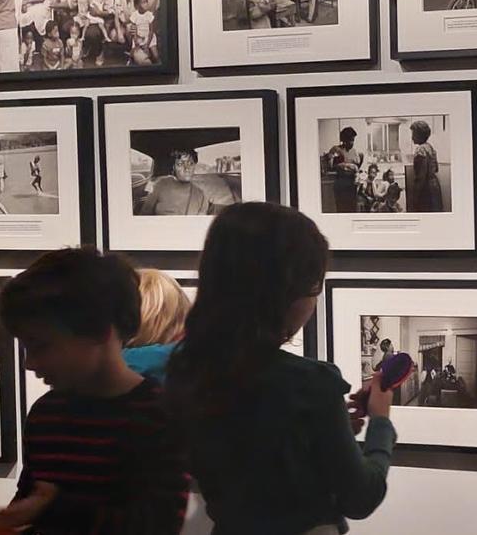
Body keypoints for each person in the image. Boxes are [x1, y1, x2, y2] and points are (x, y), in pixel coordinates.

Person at [166, 202, 395, 533]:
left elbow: (250, 460)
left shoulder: (186, 368)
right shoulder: (311, 383)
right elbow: (360, 497)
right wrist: (381, 424)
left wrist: (316, 434)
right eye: (315, 284)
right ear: (290, 289)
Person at [0, 248, 189, 534]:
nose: (29, 363)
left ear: (100, 331)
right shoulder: (45, 413)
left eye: (40, 346)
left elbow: (158, 525)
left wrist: (55, 508)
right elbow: (32, 500)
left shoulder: (160, 416)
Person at [139, 149, 212, 216]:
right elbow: (144, 217)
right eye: (180, 164)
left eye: (190, 163)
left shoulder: (201, 195)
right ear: (173, 167)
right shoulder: (160, 185)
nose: (186, 168)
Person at [407, 120, 444, 212]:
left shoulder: (420, 150)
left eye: (413, 134)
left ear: (419, 135)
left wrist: (415, 196)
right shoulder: (430, 147)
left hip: (425, 189)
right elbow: (436, 169)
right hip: (435, 186)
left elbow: (421, 176)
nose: (412, 137)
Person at [327, 126, 363, 213]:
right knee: (342, 208)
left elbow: (357, 166)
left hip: (352, 184)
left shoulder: (355, 152)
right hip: (341, 183)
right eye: (350, 140)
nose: (352, 142)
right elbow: (330, 165)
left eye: (353, 140)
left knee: (352, 208)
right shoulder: (336, 149)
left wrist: (356, 170)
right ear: (344, 140)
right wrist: (345, 165)